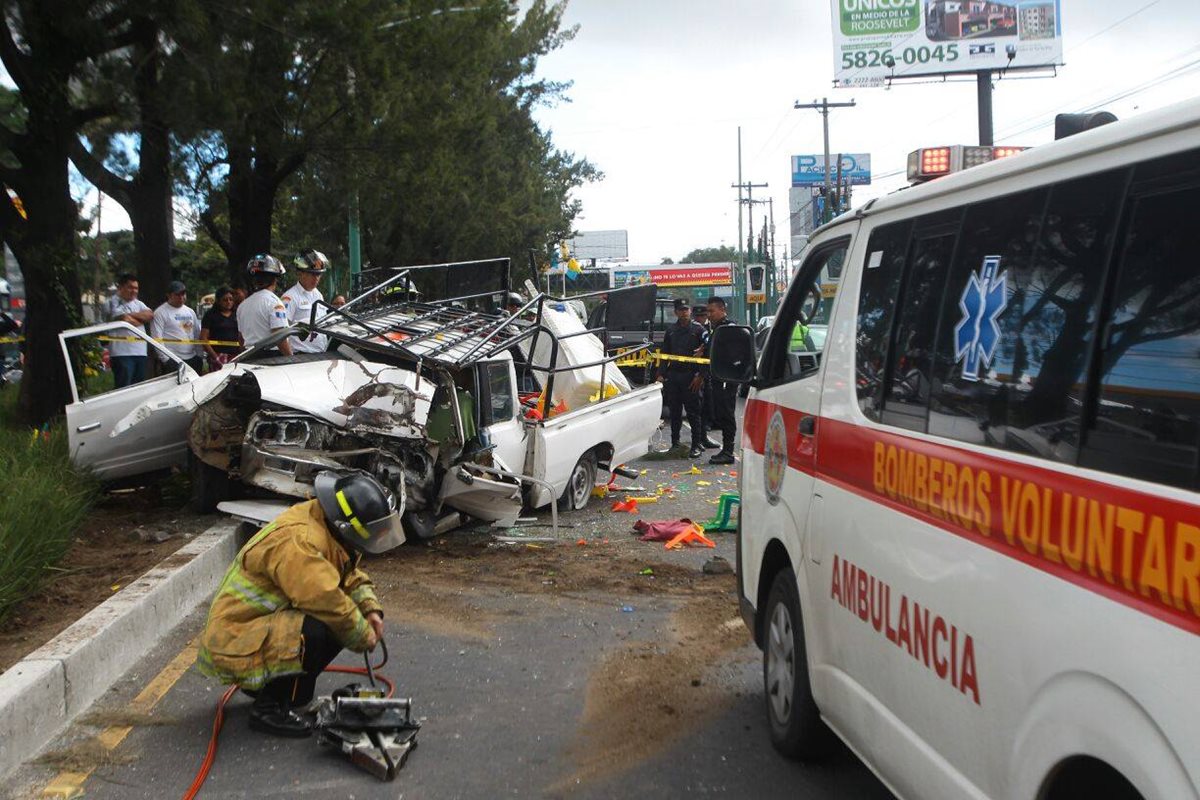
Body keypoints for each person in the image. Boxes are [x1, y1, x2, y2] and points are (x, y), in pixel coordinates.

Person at [197, 471, 403, 737]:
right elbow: (325, 600)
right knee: (320, 626)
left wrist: (370, 609)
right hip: (235, 642)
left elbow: (348, 575)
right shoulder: (301, 540)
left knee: (337, 624)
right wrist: (363, 635)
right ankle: (269, 708)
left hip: (257, 635)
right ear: (346, 524)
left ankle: (285, 691)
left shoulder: (327, 528)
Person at [657, 298, 707, 458]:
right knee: (675, 412)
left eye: (686, 310)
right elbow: (665, 354)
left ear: (690, 311)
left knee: (693, 412)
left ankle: (696, 444)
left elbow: (705, 355)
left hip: (691, 376)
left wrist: (701, 375)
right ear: (676, 312)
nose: (684, 313)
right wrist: (661, 374)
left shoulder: (699, 330)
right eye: (681, 310)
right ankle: (675, 443)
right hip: (674, 376)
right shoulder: (671, 330)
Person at [704, 295, 739, 465]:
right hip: (719, 377)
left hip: (726, 378)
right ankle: (726, 450)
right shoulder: (717, 328)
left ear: (722, 310)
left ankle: (728, 452)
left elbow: (731, 354)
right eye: (708, 311)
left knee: (726, 414)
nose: (709, 314)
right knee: (721, 413)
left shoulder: (728, 328)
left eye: (712, 311)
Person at [236, 254, 292, 356]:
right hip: (271, 358)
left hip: (249, 356)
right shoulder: (275, 303)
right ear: (275, 279)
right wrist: (290, 358)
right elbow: (279, 335)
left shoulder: (242, 306)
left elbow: (241, 338)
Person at [106, 273, 155, 388]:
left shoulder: (138, 303)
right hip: (122, 353)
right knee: (124, 387)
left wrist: (131, 316)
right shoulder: (112, 302)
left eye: (136, 288)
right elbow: (124, 319)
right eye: (130, 287)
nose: (134, 291)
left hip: (140, 352)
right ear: (121, 287)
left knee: (138, 387)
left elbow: (150, 315)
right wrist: (140, 319)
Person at [282, 249, 330, 354]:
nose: (316, 278)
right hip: (301, 355)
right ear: (300, 273)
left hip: (321, 353)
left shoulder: (318, 295)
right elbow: (282, 331)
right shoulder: (289, 297)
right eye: (313, 274)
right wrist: (290, 357)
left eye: (319, 275)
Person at [151, 281, 202, 374]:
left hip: (192, 358)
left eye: (183, 294)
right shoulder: (160, 312)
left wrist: (199, 355)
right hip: (173, 359)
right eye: (177, 294)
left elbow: (197, 334)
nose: (181, 297)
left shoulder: (190, 311)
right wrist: (166, 360)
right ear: (169, 295)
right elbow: (157, 338)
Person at [200, 287, 242, 370]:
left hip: (236, 355)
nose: (229, 302)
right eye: (225, 300)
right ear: (218, 301)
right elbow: (203, 337)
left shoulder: (237, 313)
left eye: (231, 299)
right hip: (218, 355)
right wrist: (215, 357)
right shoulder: (210, 315)